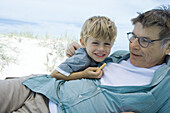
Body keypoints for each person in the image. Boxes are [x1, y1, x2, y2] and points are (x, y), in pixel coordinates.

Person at [0, 5, 169, 113]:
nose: (134, 46)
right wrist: (80, 50)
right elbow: (92, 53)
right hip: (37, 86)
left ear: (168, 47)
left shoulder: (164, 86)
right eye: (133, 36)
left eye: (145, 41)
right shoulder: (118, 57)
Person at [50, 16, 117, 81]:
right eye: (95, 43)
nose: (101, 48)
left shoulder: (95, 57)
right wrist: (83, 74)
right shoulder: (81, 58)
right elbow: (55, 74)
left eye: (107, 44)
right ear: (83, 43)